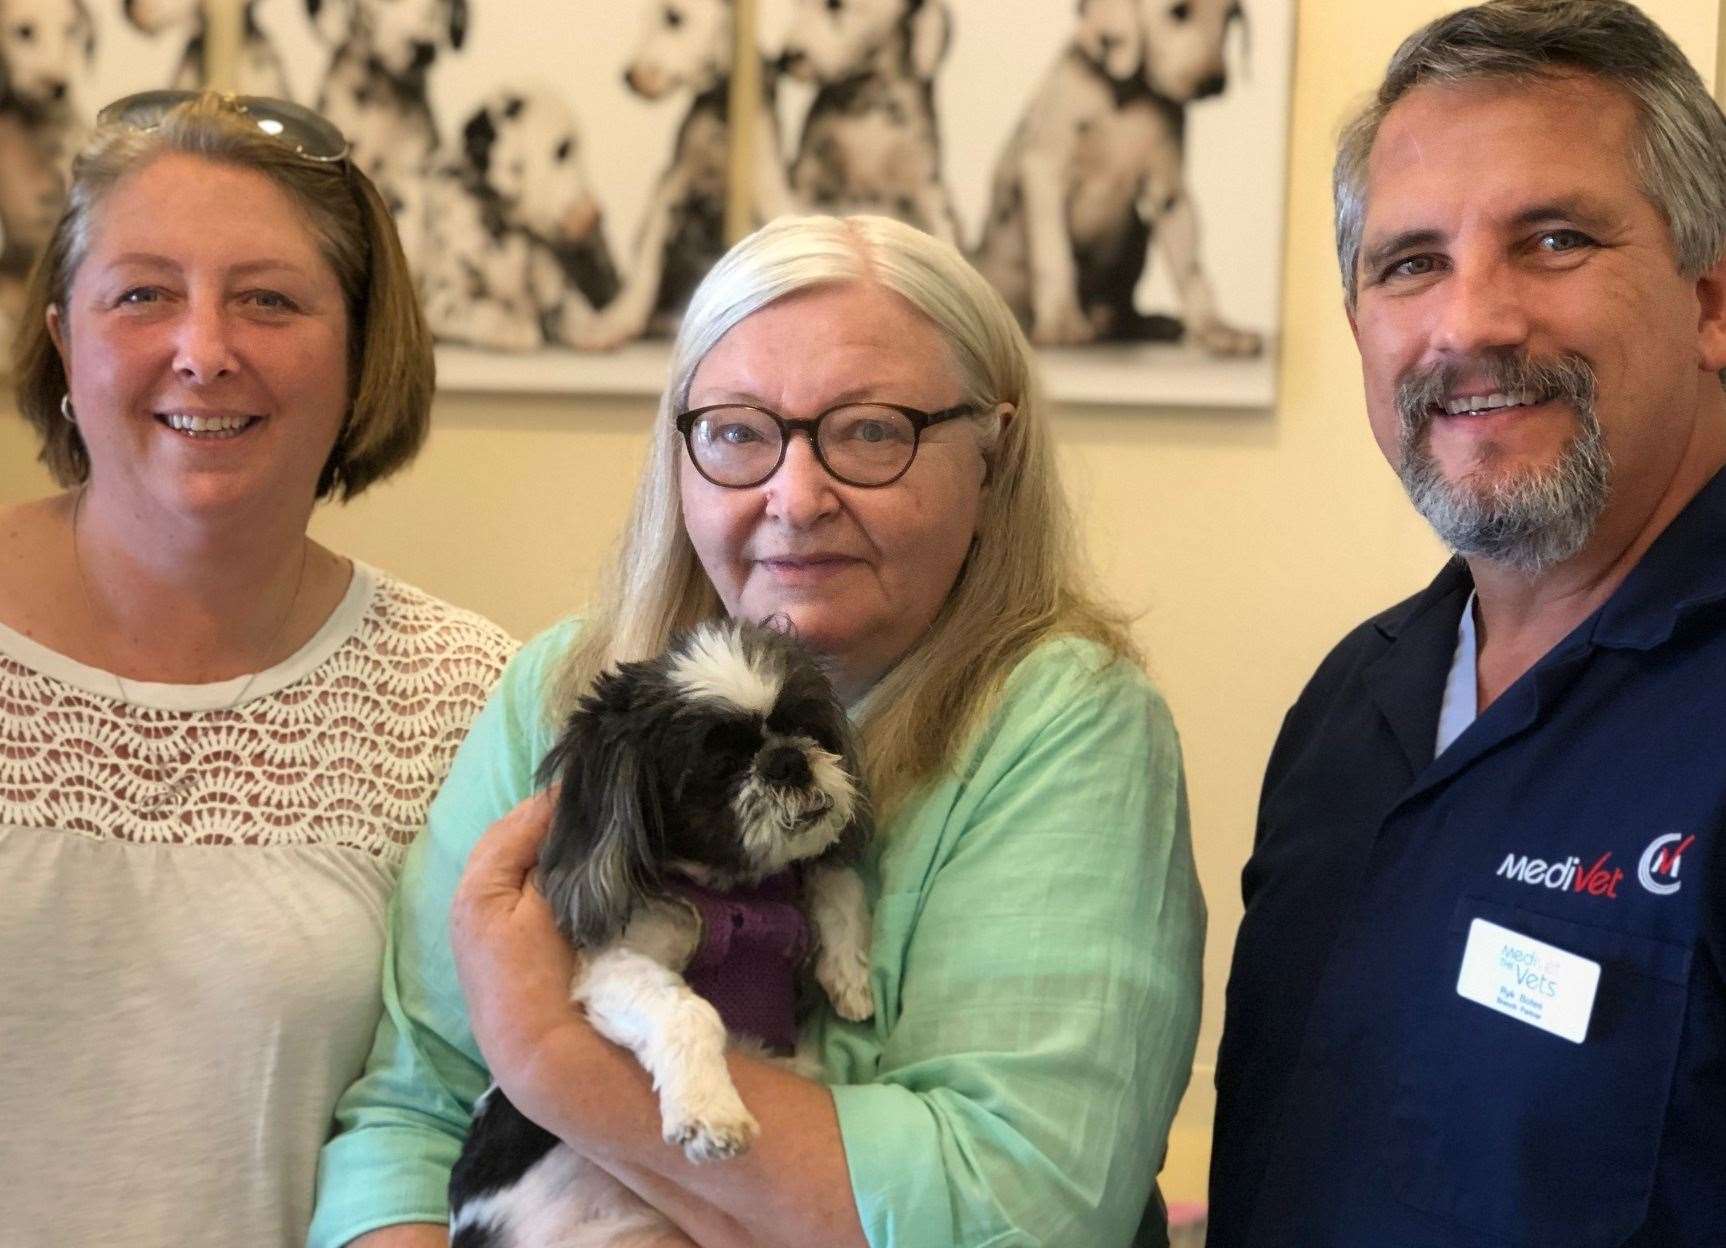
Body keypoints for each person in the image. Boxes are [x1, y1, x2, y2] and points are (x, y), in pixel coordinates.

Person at [311, 212, 1205, 1248]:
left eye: (872, 430)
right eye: (738, 431)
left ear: (991, 458)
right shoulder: (560, 691)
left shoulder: (1067, 723)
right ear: (679, 453)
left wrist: (551, 1052)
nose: (795, 496)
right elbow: (405, 1125)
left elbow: (1013, 1208)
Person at [1208, 2, 1726, 1245]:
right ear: (1359, 328)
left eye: (1552, 240)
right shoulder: (1351, 703)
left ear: (1711, 301)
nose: (1469, 324)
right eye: (1409, 263)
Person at [0, 92, 516, 1246]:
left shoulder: (475, 704)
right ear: (61, 339)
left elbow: (485, 1120)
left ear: (358, 347)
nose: (204, 350)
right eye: (142, 295)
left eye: (268, 301)